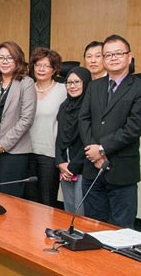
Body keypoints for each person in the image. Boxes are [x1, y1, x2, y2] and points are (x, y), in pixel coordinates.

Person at [79, 34, 141, 228]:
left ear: (129, 57)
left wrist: (102, 149)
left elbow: (133, 128)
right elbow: (84, 119)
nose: (113, 58)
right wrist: (93, 152)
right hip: (92, 169)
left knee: (121, 230)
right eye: (108, 54)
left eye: (118, 53)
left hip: (121, 170)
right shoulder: (94, 87)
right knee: (92, 227)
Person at [0, 41, 36, 198]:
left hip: (14, 153)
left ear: (17, 60)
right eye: (1, 58)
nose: (4, 61)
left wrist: (2, 145)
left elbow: (26, 119)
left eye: (9, 58)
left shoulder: (26, 83)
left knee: (10, 200)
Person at [26, 47, 67, 207]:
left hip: (50, 154)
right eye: (37, 65)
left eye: (46, 65)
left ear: (54, 69)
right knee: (28, 202)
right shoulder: (26, 88)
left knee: (47, 201)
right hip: (26, 152)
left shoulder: (63, 90)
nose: (41, 69)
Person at [55, 67, 92, 214]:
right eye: (69, 82)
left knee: (81, 212)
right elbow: (59, 136)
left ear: (86, 83)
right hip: (65, 168)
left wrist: (72, 167)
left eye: (77, 82)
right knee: (69, 211)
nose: (72, 86)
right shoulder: (64, 107)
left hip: (83, 167)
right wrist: (60, 162)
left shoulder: (90, 108)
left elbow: (89, 140)